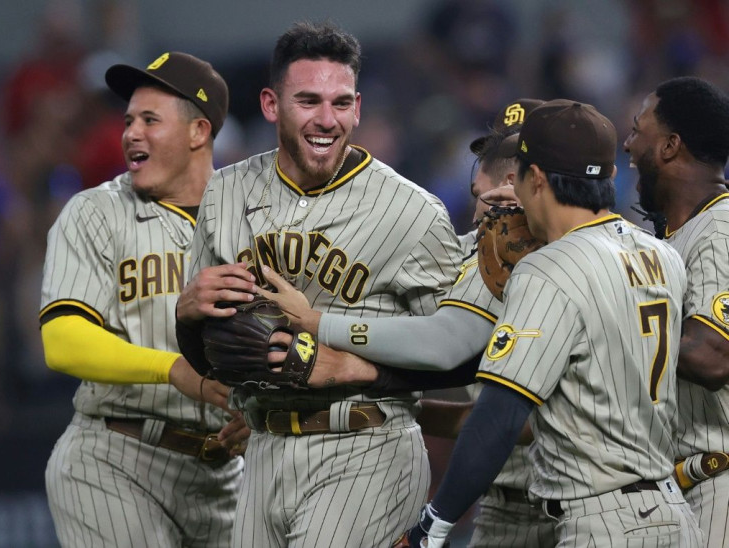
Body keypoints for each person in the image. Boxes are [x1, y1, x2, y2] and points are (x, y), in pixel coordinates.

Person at [174, 21, 464, 548]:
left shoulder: (412, 214)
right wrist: (187, 318)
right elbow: (214, 351)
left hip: (364, 444)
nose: (326, 119)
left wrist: (356, 367)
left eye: (341, 102)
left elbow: (462, 355)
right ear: (270, 105)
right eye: (308, 101)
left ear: (358, 108)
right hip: (262, 450)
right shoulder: (225, 194)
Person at [398, 99, 704, 547]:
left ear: (536, 178)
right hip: (672, 513)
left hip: (604, 521)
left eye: (519, 175)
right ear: (610, 176)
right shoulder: (662, 254)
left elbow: (500, 415)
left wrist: (434, 523)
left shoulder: (549, 269)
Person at [259, 100, 556, 548]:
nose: (481, 211)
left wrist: (325, 331)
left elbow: (453, 353)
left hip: (567, 502)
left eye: (488, 195)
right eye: (480, 197)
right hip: (502, 501)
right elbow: (483, 402)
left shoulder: (556, 265)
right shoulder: (470, 254)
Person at [39, 52, 249, 547]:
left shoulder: (252, 222)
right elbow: (62, 341)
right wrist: (173, 370)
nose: (131, 132)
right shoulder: (96, 213)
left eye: (150, 120)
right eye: (128, 120)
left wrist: (259, 411)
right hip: (116, 456)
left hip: (225, 474)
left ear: (199, 132)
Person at [624, 76, 729, 547]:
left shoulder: (721, 229)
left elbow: (713, 356)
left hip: (718, 483)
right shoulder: (676, 238)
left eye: (636, 128)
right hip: (683, 486)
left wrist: (608, 318)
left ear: (669, 146)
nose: (628, 144)